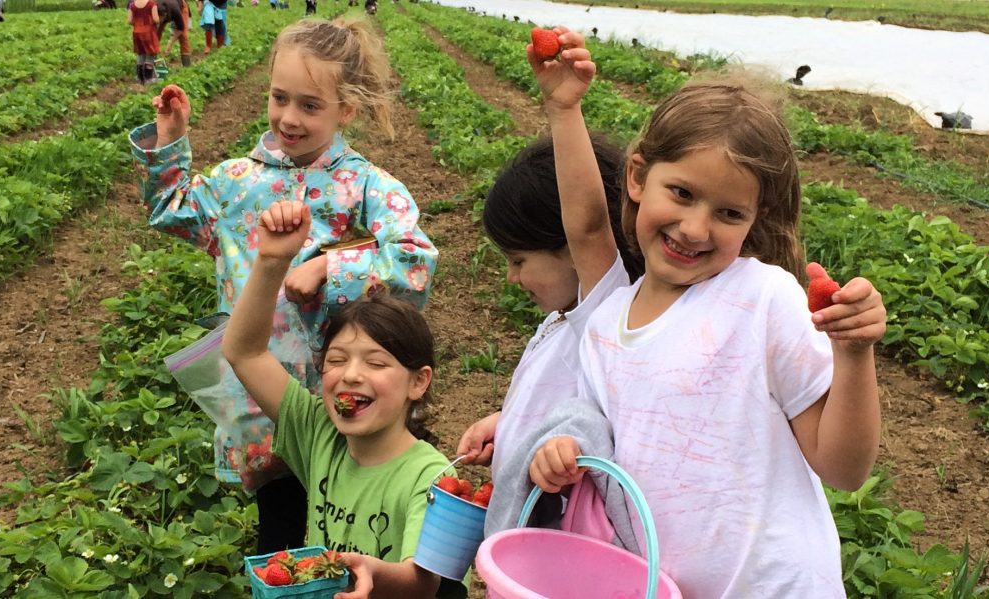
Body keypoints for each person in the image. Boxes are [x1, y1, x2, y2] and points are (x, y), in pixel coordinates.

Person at [528, 72, 887, 597]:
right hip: (664, 587)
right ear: (637, 177)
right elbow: (596, 443)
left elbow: (844, 469)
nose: (696, 228)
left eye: (728, 213)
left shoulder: (762, 298)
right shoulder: (604, 328)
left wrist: (854, 355)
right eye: (682, 193)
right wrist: (559, 451)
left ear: (754, 219)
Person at [128, 18, 437, 555]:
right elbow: (171, 209)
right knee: (278, 520)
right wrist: (171, 139)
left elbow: (414, 262)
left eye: (311, 106)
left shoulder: (364, 185)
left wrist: (328, 269)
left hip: (341, 387)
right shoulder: (235, 180)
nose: (290, 118)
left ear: (347, 110)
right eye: (279, 98)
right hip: (256, 388)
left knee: (345, 515)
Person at [455, 29, 643, 542]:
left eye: (519, 259)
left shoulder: (607, 310)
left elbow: (587, 224)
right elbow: (562, 395)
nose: (512, 277)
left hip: (564, 548)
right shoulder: (564, 321)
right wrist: (511, 424)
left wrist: (562, 109)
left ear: (569, 250)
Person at [222, 200, 450, 598]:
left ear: (418, 382)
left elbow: (424, 582)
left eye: (376, 363)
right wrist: (272, 261)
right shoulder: (320, 435)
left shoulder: (431, 477)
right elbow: (245, 352)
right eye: (337, 360)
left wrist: (368, 572)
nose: (351, 374)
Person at [128, 0, 160, 83]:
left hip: (137, 32)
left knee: (140, 53)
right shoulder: (151, 4)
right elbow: (156, 19)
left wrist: (138, 23)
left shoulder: (132, 5)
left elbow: (130, 21)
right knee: (150, 53)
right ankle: (148, 78)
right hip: (149, 31)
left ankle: (140, 78)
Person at [158, 0, 192, 67]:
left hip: (181, 7)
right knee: (156, 33)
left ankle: (186, 65)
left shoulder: (175, 9)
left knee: (183, 36)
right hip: (162, 10)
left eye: (161, 19)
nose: (160, 21)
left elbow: (180, 28)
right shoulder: (153, 7)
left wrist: (169, 44)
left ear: (165, 15)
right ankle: (153, 59)